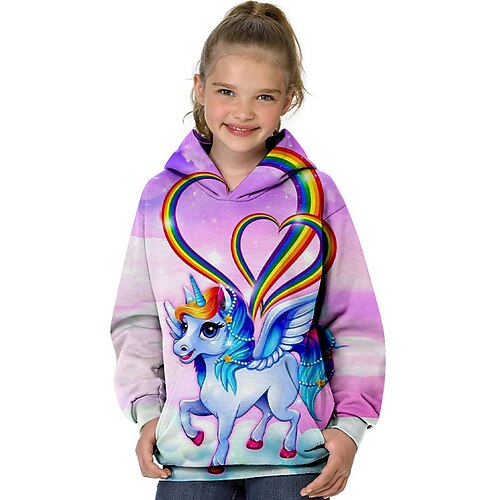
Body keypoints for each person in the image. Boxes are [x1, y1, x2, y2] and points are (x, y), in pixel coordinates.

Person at [110, 2, 385, 499]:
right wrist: (146, 411)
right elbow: (138, 318)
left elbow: (353, 319)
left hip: (296, 463)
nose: (242, 111)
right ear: (199, 88)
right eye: (226, 92)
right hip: (187, 461)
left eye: (264, 96)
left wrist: (350, 427)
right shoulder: (160, 198)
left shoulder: (315, 195)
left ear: (289, 99)